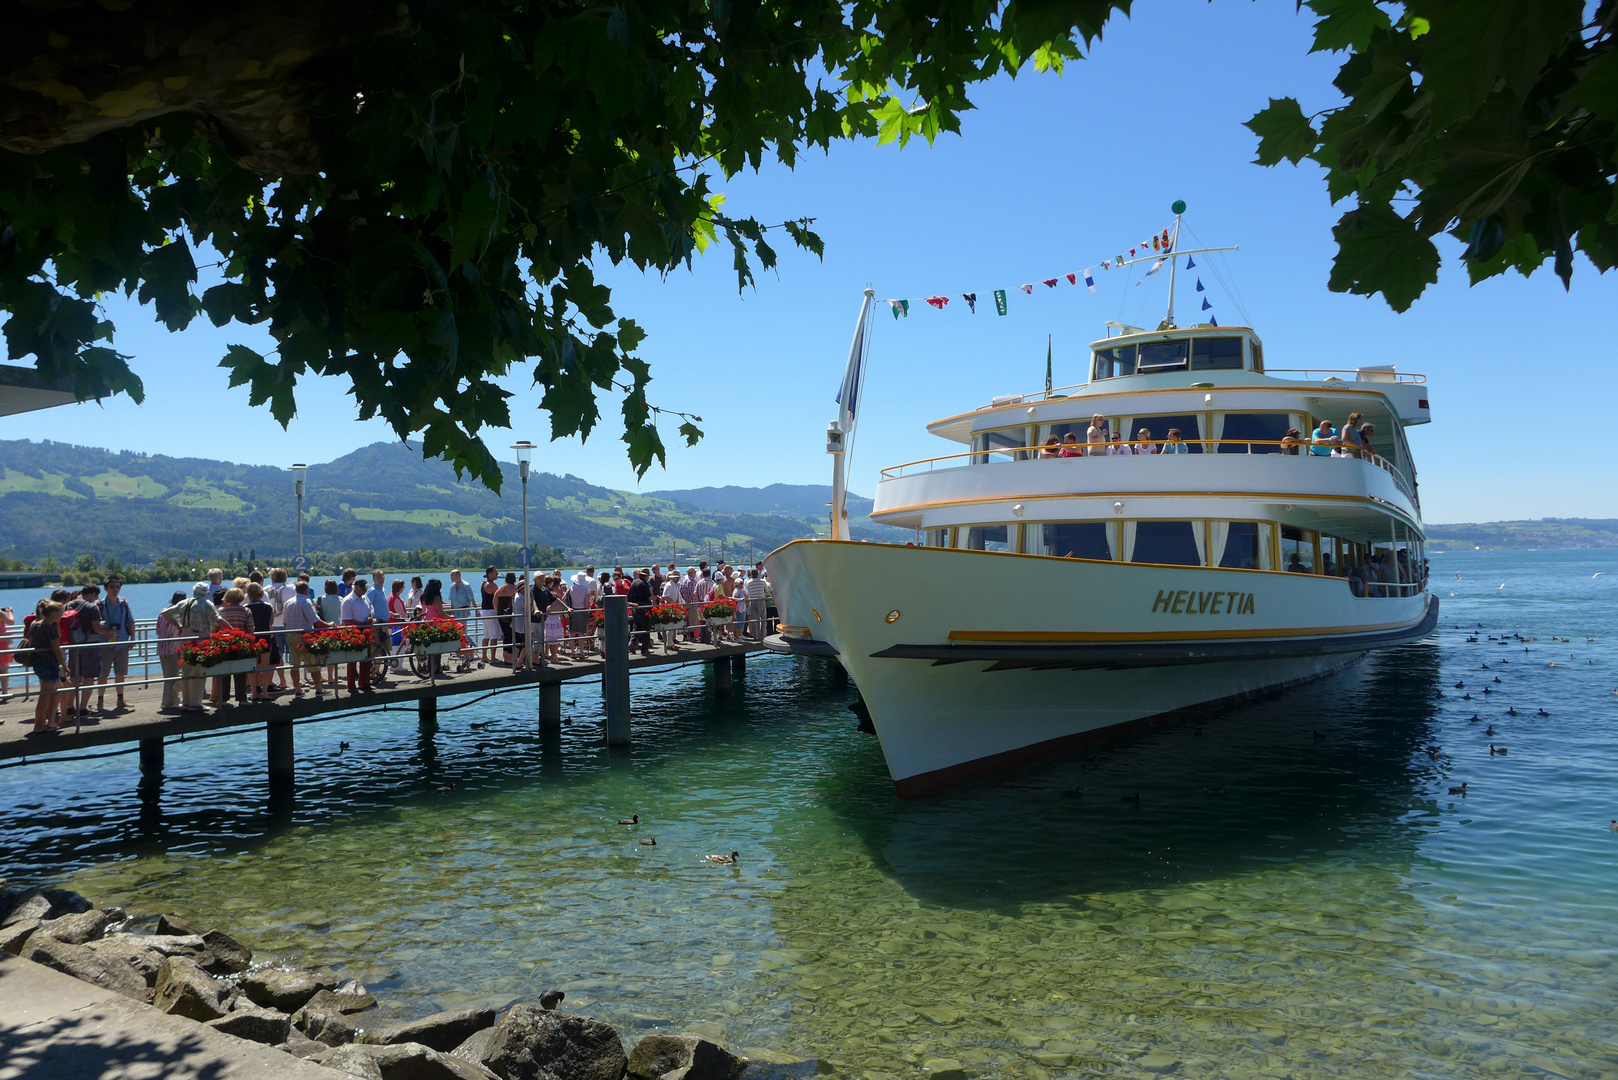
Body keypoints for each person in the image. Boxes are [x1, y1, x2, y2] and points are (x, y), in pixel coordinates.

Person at [281, 579, 329, 697]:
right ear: (306, 590)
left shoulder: (288, 603)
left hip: (291, 636)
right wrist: (329, 625)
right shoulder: (306, 602)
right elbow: (315, 620)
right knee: (313, 663)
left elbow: (285, 623)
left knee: (294, 665)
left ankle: (298, 690)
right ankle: (319, 689)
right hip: (304, 636)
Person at [66, 584, 106, 719]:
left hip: (73, 644)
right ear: (93, 594)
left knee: (74, 677)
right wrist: (108, 633)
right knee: (89, 677)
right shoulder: (92, 607)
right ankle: (83, 708)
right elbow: (96, 627)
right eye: (97, 596)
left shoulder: (68, 605)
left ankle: (69, 707)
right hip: (89, 644)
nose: (97, 599)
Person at [95, 576, 135, 712]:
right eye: (112, 587)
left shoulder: (124, 604)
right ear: (105, 588)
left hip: (122, 642)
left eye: (117, 587)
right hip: (104, 644)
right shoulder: (99, 605)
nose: (115, 590)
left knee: (120, 673)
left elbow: (130, 621)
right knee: (103, 674)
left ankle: (120, 700)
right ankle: (100, 701)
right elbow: (94, 626)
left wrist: (133, 638)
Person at [27, 601, 66, 733]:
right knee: (45, 695)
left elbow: (31, 642)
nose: (63, 614)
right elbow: (56, 648)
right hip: (49, 663)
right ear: (54, 613)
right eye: (61, 612)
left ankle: (51, 722)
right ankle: (39, 725)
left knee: (55, 689)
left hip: (38, 662)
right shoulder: (50, 627)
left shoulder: (35, 625)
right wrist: (64, 665)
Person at [214, 587, 255, 705]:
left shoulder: (221, 611)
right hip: (241, 643)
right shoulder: (246, 611)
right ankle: (242, 699)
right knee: (241, 672)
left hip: (224, 643)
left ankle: (223, 699)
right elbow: (250, 629)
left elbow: (215, 627)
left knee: (224, 671)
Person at [244, 582, 277, 702]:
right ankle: (264, 692)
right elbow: (271, 622)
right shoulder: (268, 607)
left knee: (252, 666)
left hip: (252, 639)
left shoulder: (246, 608)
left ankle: (253, 692)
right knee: (265, 665)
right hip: (265, 637)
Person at [341, 579, 376, 693]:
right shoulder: (348, 601)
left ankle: (364, 683)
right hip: (353, 633)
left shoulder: (365, 598)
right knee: (352, 660)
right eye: (363, 588)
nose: (366, 591)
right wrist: (363, 624)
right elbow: (346, 621)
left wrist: (370, 618)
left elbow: (371, 609)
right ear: (356, 588)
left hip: (366, 632)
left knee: (367, 659)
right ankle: (351, 685)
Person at [369, 570, 394, 686]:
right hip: (378, 623)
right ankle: (372, 672)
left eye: (382, 576)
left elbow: (380, 606)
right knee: (377, 649)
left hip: (384, 622)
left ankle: (376, 671)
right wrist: (372, 618)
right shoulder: (373, 591)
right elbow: (368, 605)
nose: (381, 578)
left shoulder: (381, 590)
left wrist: (391, 614)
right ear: (373, 579)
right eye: (378, 577)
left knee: (383, 648)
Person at [317, 579, 345, 685]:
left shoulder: (320, 599)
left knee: (322, 653)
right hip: (337, 629)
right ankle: (331, 678)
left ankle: (318, 675)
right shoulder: (341, 599)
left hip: (323, 629)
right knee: (333, 654)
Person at [568, 570, 594, 658]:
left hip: (573, 611)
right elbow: (587, 603)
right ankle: (581, 653)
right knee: (581, 633)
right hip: (582, 611)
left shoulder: (571, 588)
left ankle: (572, 653)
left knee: (572, 633)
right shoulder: (585, 589)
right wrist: (588, 610)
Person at [628, 570, 653, 655]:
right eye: (647, 576)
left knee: (636, 626)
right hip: (644, 608)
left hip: (635, 608)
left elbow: (629, 596)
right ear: (645, 576)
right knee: (646, 627)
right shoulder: (644, 584)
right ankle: (644, 648)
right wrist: (657, 598)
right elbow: (648, 596)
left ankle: (632, 642)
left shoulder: (634, 583)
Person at [480, 566, 501, 663]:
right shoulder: (492, 585)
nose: (497, 573)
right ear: (490, 573)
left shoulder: (483, 584)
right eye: (495, 572)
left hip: (484, 611)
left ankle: (484, 656)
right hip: (491, 612)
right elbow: (498, 596)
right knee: (494, 635)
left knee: (486, 635)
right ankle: (493, 657)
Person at [743, 569, 769, 642]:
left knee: (755, 620)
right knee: (763, 619)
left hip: (752, 601)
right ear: (758, 574)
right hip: (761, 601)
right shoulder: (762, 582)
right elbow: (767, 591)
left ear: (751, 574)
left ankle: (756, 636)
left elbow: (747, 592)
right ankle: (763, 635)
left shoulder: (748, 582)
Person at [0, 603, 13, 704]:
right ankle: (4, 692)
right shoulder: (0, 614)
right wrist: (10, 612)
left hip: (3, 643)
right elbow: (11, 622)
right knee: (4, 670)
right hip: (2, 645)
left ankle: (4, 692)